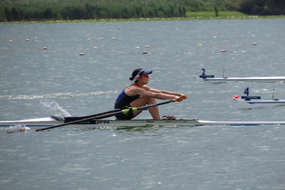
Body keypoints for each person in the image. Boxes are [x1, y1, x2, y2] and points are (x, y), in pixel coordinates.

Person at [114, 68, 187, 120]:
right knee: (149, 97)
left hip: (129, 111)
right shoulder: (135, 89)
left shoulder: (143, 87)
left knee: (150, 96)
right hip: (122, 113)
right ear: (139, 78)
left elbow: (160, 92)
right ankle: (158, 121)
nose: (148, 77)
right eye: (145, 76)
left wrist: (178, 94)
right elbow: (156, 95)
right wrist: (174, 98)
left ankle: (158, 121)